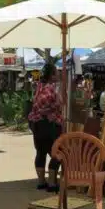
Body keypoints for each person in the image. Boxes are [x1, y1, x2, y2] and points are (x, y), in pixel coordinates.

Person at [28, 61, 63, 192]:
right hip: (50, 124)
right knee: (57, 152)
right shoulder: (52, 88)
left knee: (40, 152)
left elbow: (36, 104)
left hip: (37, 124)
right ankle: (52, 183)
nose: (59, 74)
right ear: (52, 75)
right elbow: (56, 104)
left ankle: (41, 182)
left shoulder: (39, 86)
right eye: (57, 72)